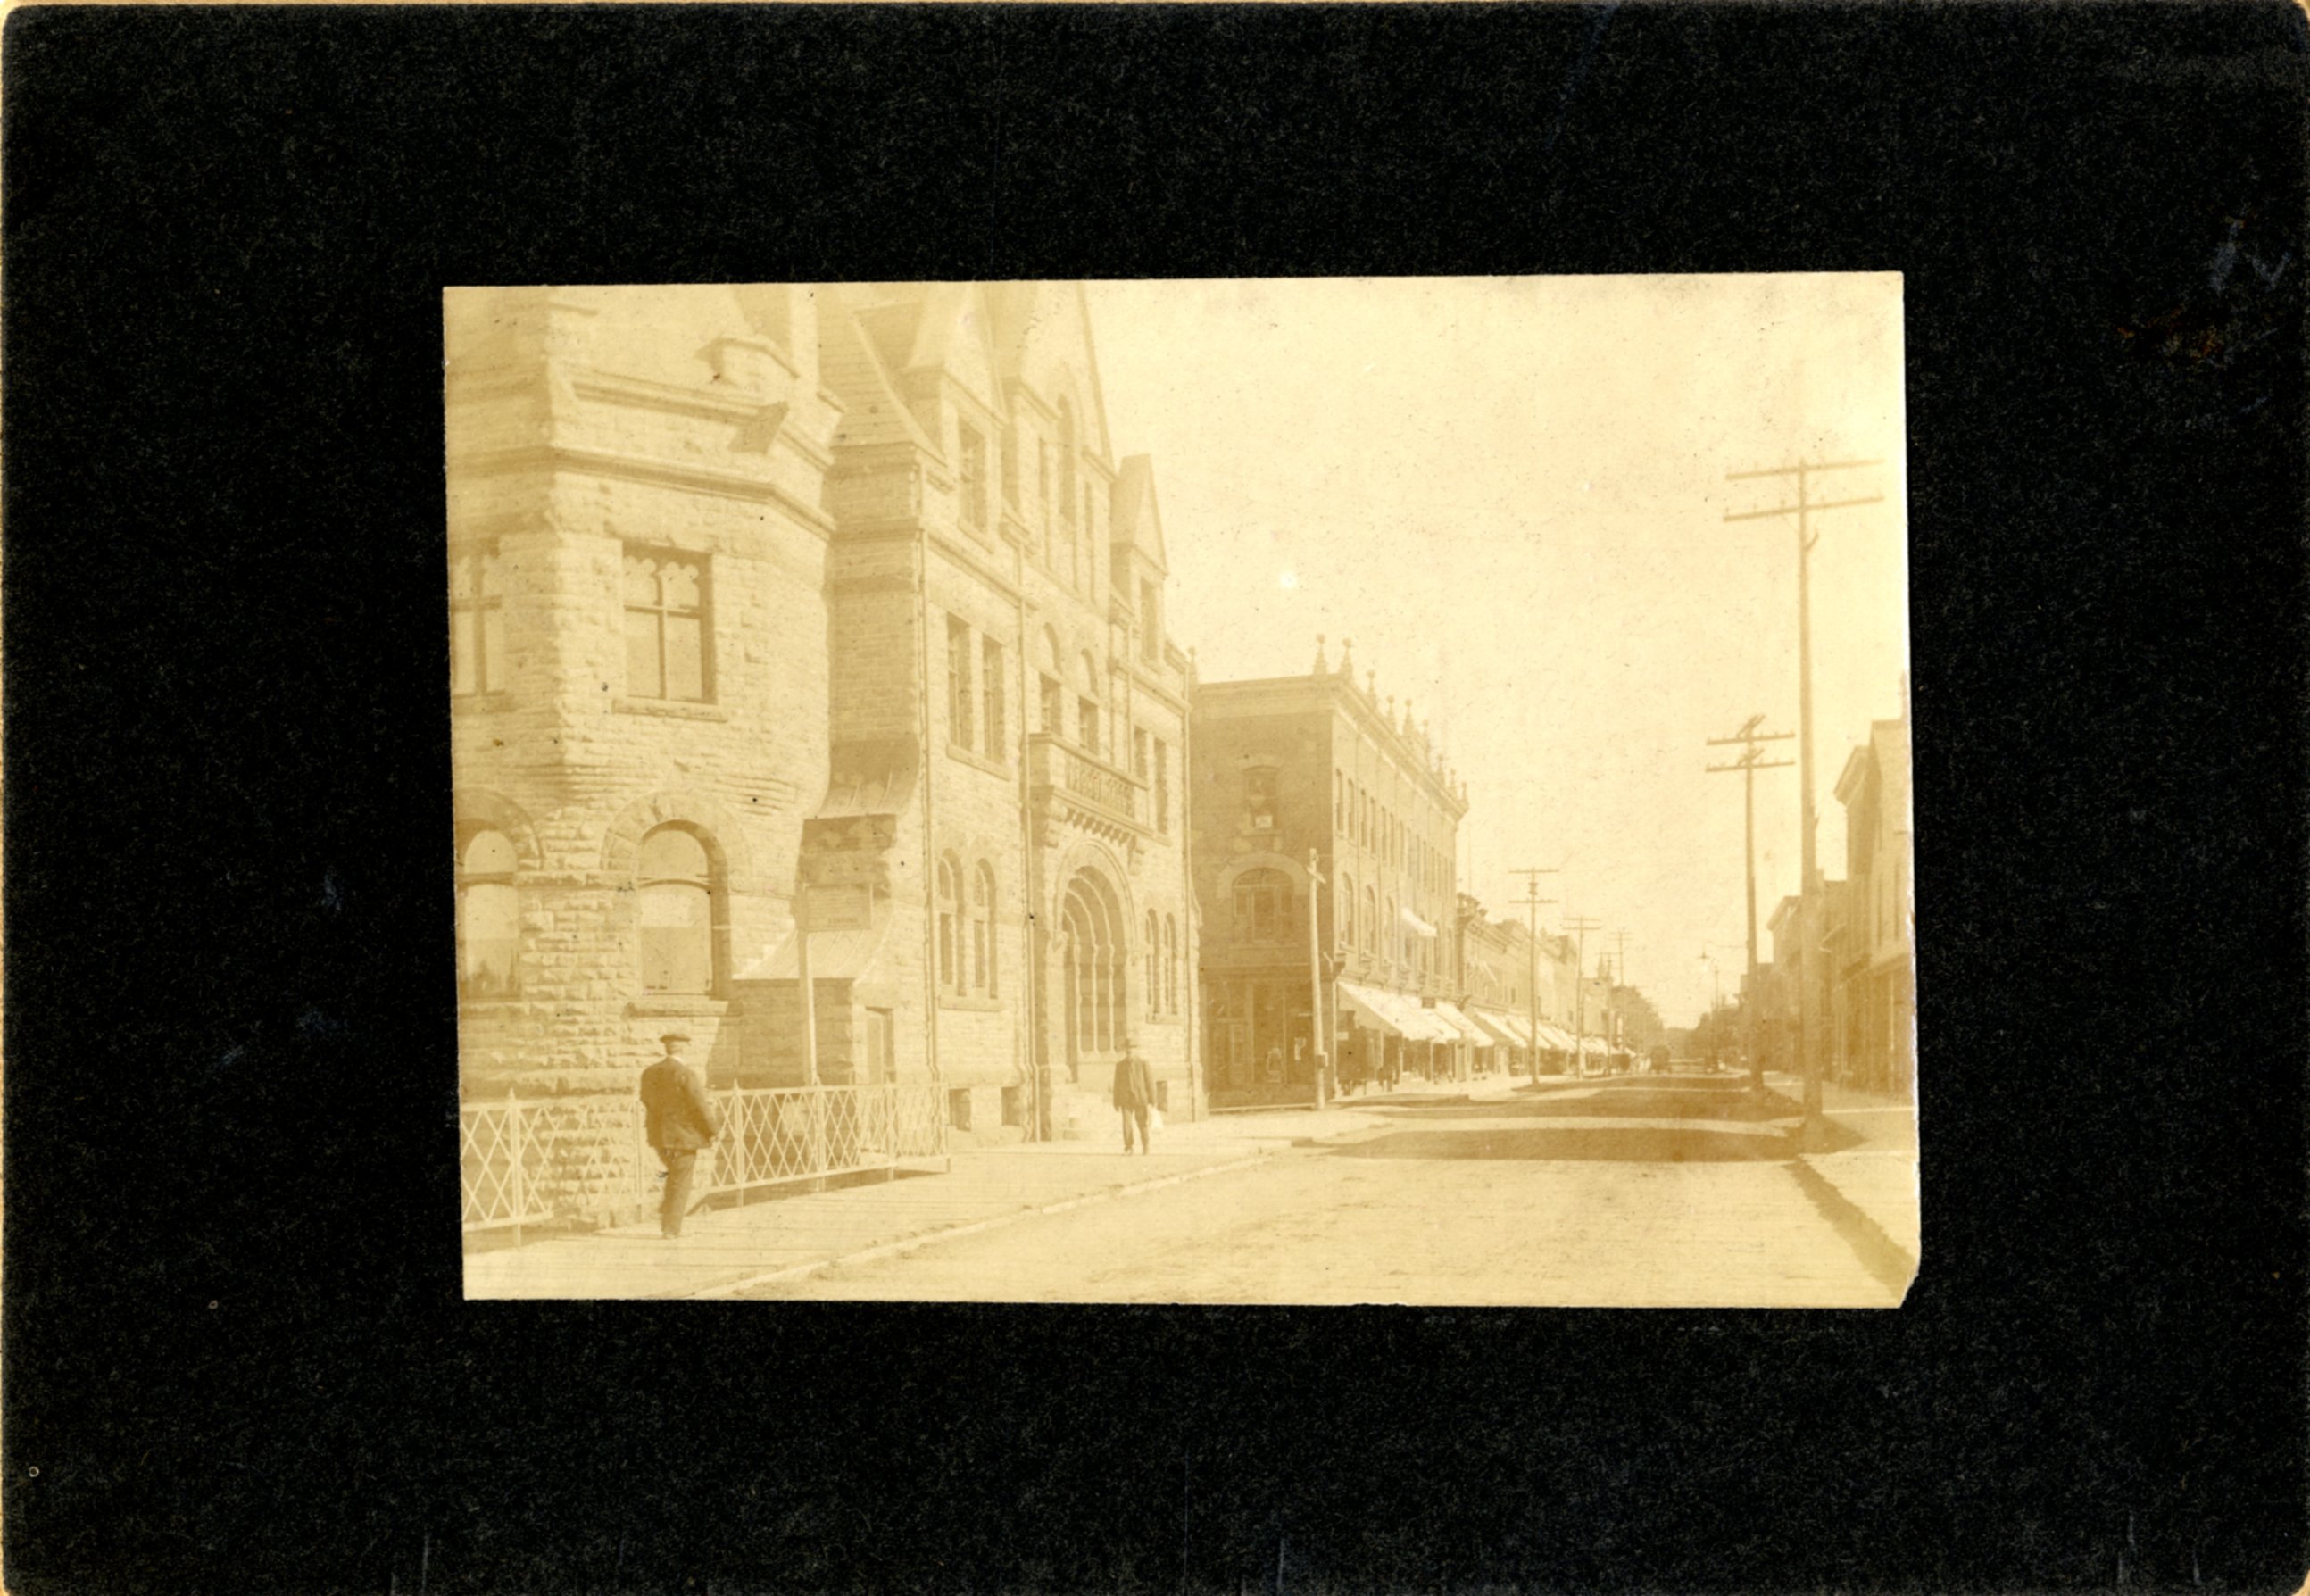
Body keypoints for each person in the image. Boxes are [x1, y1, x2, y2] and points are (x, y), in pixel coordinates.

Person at [637, 1030, 719, 1238]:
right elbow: (699, 1105)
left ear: (666, 1048)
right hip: (683, 1137)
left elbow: (646, 1100)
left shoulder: (649, 1073)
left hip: (659, 1137)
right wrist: (713, 1131)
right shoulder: (685, 1073)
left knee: (673, 1177)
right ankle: (671, 1229)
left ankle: (667, 1219)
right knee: (681, 1181)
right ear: (683, 1048)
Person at [1113, 1040, 1157, 1155]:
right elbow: (1117, 1084)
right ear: (1125, 1051)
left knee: (1142, 1123)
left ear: (1136, 1050)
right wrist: (1116, 1102)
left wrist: (1153, 1100)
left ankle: (1145, 1145)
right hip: (1126, 1100)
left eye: (1132, 1048)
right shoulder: (1120, 1065)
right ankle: (1128, 1147)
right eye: (1127, 1049)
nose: (1129, 1051)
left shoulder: (1143, 1064)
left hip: (1140, 1099)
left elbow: (1150, 1082)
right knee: (1126, 1124)